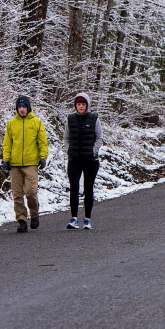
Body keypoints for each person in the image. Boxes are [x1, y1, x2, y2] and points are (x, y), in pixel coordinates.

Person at [1, 95, 48, 233]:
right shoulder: (11, 124)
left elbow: (42, 142)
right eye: (20, 107)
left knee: (30, 192)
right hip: (15, 164)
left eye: (24, 107)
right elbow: (7, 143)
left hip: (31, 163)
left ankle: (34, 214)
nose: (22, 109)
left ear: (28, 108)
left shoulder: (37, 122)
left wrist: (43, 157)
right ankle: (21, 220)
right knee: (17, 194)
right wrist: (6, 159)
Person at [64, 93, 103, 230]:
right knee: (74, 187)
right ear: (76, 105)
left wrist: (93, 151)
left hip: (90, 160)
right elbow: (66, 137)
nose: (81, 106)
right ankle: (74, 219)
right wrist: (69, 150)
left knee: (88, 188)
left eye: (83, 104)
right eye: (79, 104)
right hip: (74, 159)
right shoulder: (70, 119)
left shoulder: (94, 119)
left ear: (87, 105)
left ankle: (87, 219)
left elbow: (99, 138)